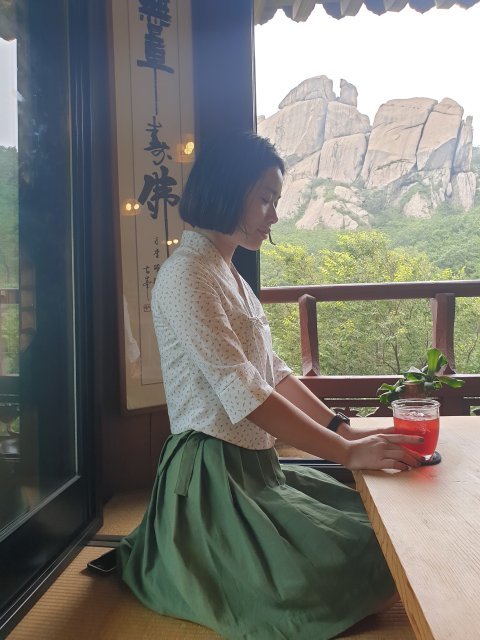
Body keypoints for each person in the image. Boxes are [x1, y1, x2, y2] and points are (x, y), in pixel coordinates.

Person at [117, 131, 423, 640]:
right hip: (212, 476)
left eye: (275, 200)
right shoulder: (186, 276)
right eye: (265, 198)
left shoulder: (226, 272)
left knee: (381, 530)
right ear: (226, 189)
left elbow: (272, 371)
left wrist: (343, 430)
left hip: (258, 467)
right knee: (344, 564)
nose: (274, 215)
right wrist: (346, 454)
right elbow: (245, 391)